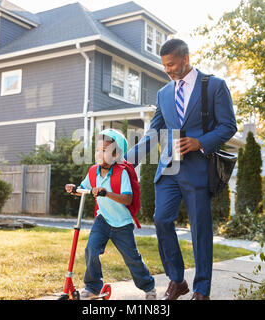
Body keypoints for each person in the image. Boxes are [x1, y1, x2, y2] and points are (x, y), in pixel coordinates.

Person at [125, 39, 237, 300]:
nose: (168, 70)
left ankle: (201, 290)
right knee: (162, 220)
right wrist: (126, 161)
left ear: (186, 59)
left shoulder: (214, 86)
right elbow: (154, 131)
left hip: (199, 168)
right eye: (164, 66)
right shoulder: (164, 93)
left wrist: (201, 142)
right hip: (169, 169)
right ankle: (177, 281)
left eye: (172, 64)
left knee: (200, 230)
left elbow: (228, 126)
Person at [65, 129, 156, 300]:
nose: (99, 154)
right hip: (103, 220)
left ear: (116, 155)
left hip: (122, 224)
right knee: (91, 249)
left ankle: (149, 287)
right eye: (98, 150)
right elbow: (84, 189)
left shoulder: (122, 173)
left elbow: (128, 199)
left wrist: (106, 193)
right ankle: (93, 287)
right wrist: (74, 189)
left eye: (105, 151)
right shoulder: (93, 171)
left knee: (132, 258)